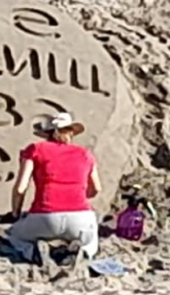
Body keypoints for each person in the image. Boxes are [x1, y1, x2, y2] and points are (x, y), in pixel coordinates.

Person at [7, 112, 101, 266]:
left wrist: (16, 213)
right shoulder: (85, 154)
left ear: (46, 134)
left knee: (14, 235)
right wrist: (76, 194)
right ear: (71, 132)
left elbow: (20, 188)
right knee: (92, 237)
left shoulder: (35, 149)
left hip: (45, 216)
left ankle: (33, 253)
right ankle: (83, 252)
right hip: (79, 217)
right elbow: (96, 189)